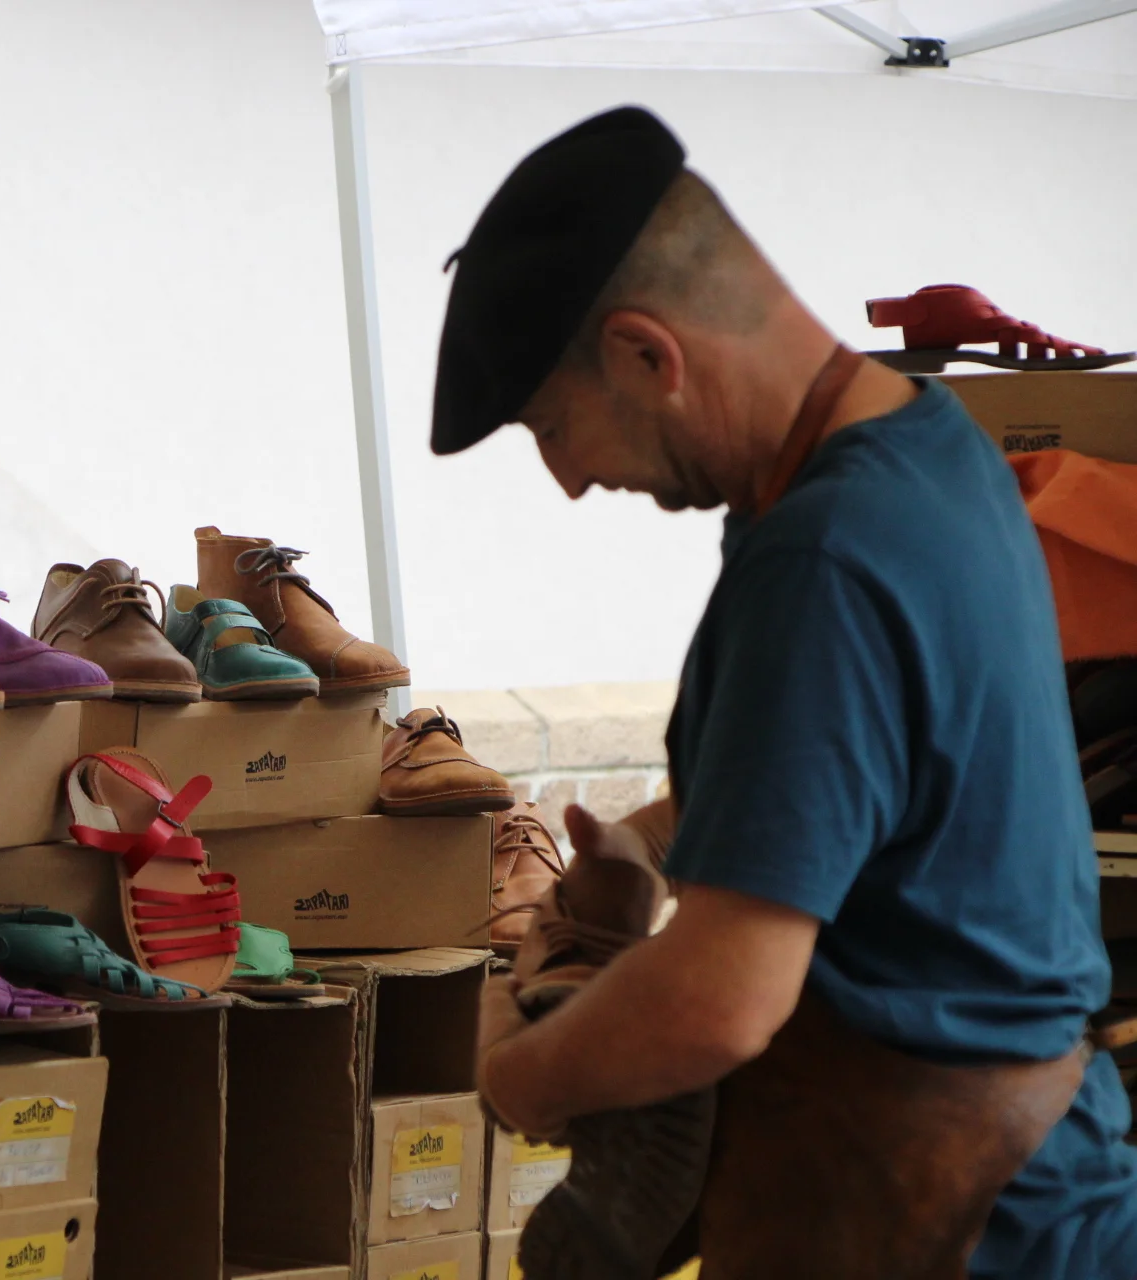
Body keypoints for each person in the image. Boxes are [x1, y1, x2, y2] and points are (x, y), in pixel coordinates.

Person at [436, 106, 1137, 1278]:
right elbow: (884, 777)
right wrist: (660, 840)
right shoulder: (931, 447)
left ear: (648, 354)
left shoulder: (825, 555)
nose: (567, 480)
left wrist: (514, 1070)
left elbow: (722, 1000)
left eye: (553, 427)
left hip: (958, 1229)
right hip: (1015, 1189)